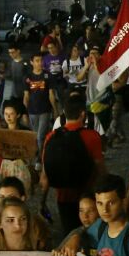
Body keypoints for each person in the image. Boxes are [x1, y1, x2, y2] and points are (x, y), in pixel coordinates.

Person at [40, 93, 105, 234]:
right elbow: (101, 170)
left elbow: (45, 176)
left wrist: (42, 201)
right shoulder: (91, 136)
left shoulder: (51, 137)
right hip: (87, 195)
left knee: (70, 235)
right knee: (93, 234)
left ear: (64, 113)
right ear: (83, 114)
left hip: (62, 198)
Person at [57, 175, 129, 256]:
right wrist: (75, 238)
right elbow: (83, 235)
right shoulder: (101, 226)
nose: (104, 210)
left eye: (111, 203)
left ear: (123, 202)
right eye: (100, 203)